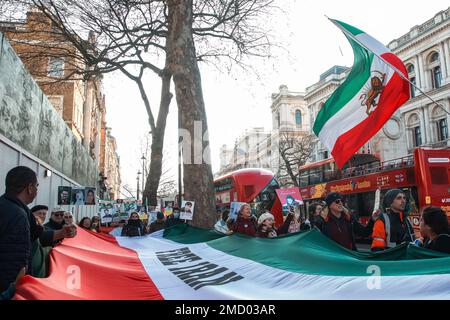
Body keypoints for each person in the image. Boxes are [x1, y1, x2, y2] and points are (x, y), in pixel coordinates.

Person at [0, 166, 76, 297]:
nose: (36, 190)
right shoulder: (18, 215)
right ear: (29, 188)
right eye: (36, 186)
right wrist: (15, 288)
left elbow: (36, 236)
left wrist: (62, 233)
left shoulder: (14, 209)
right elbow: (16, 257)